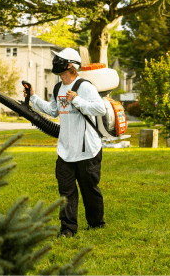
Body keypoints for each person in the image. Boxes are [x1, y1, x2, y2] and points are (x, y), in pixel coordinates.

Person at [24, 47, 107, 238]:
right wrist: (33, 97)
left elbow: (100, 109)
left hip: (87, 150)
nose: (56, 63)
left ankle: (96, 224)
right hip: (65, 150)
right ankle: (68, 229)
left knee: (89, 190)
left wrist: (77, 101)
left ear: (71, 66)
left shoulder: (84, 86)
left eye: (60, 60)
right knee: (66, 192)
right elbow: (53, 111)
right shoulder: (57, 87)